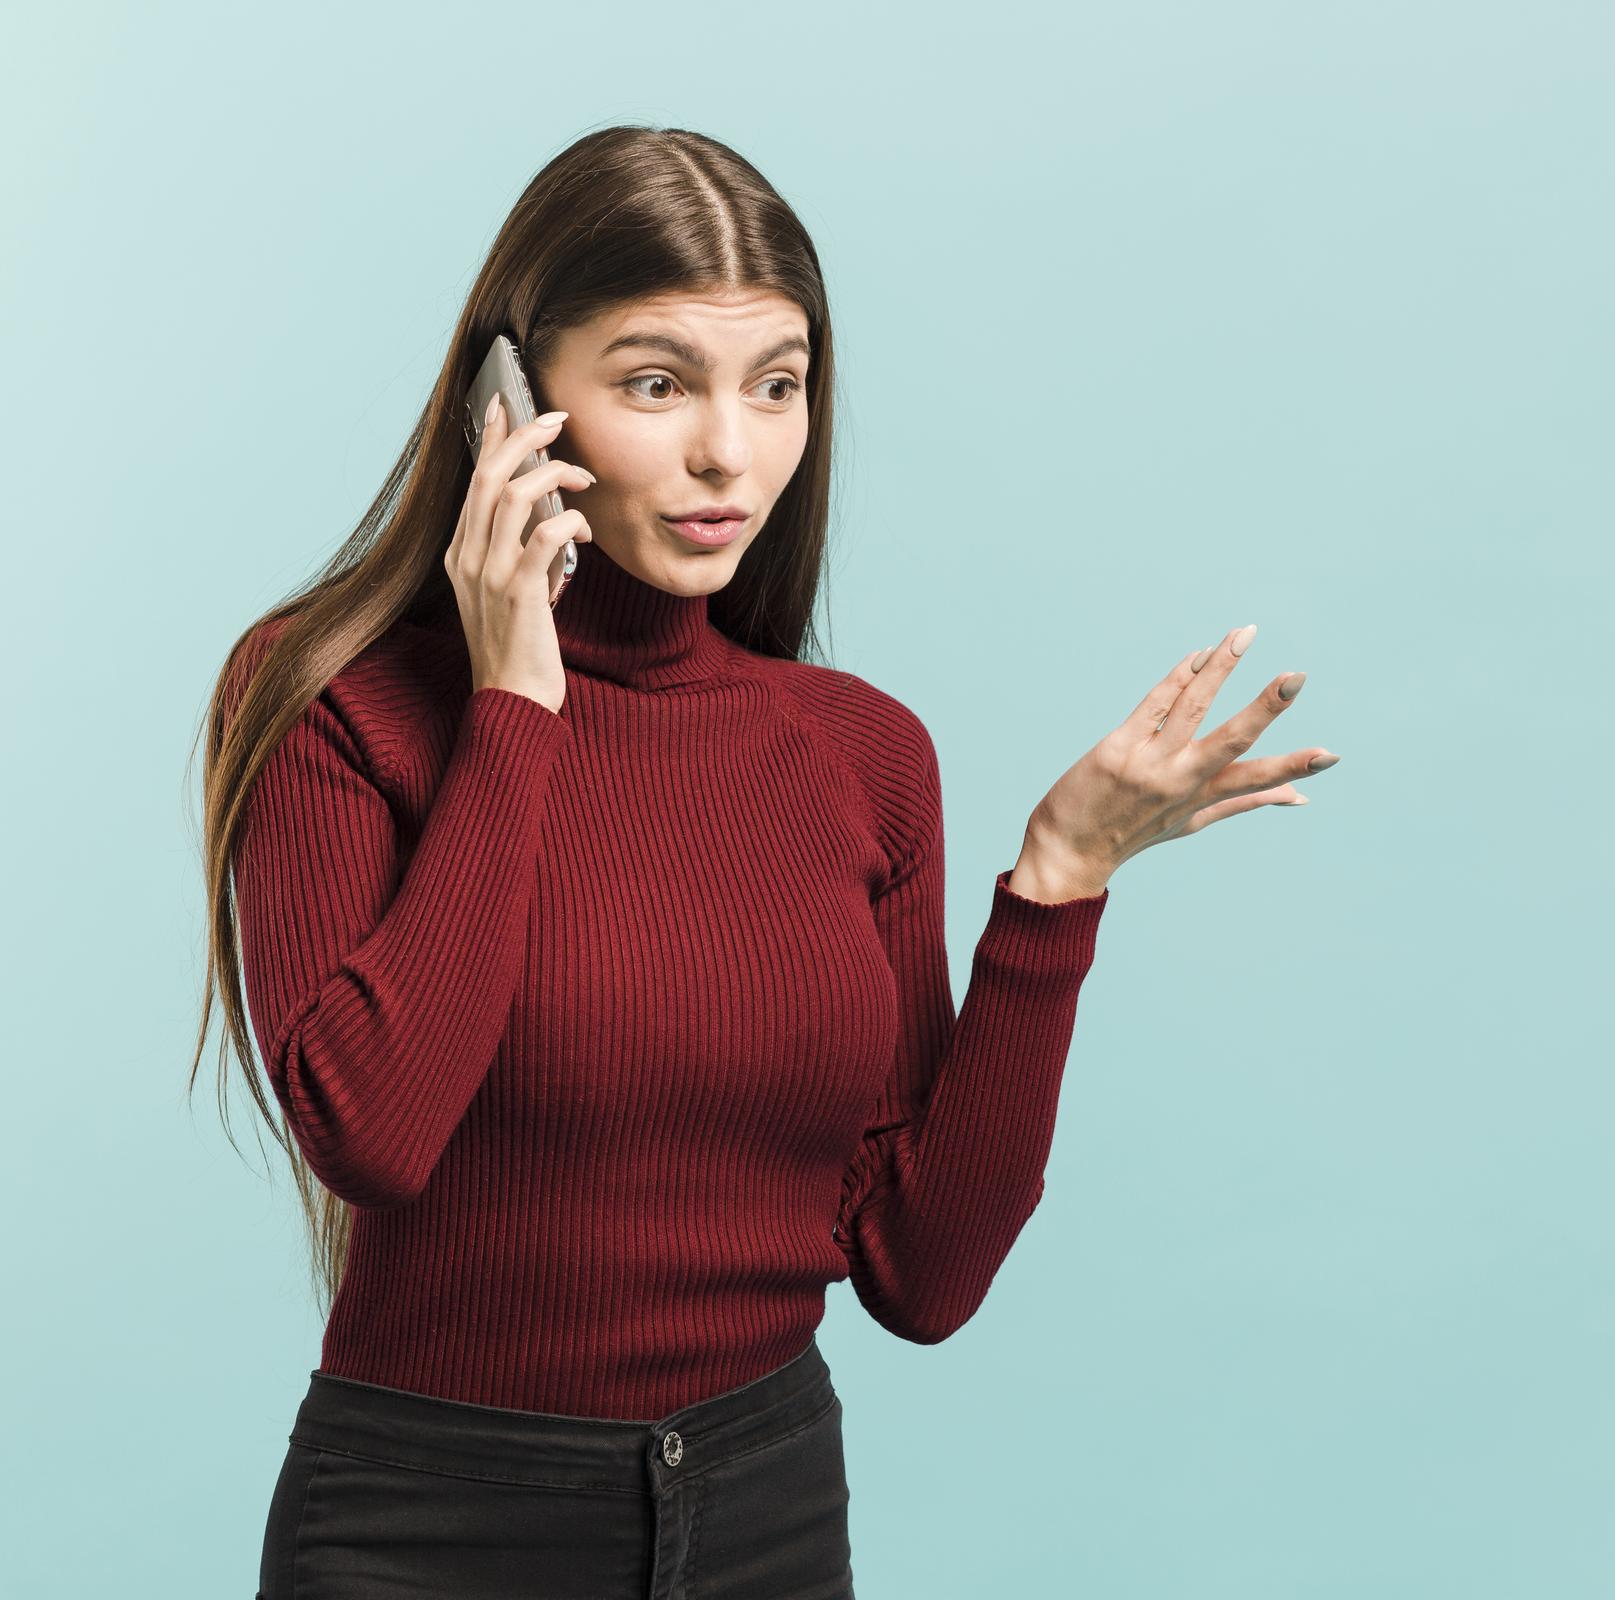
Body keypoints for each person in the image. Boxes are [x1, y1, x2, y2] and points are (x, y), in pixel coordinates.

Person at [190, 124, 1339, 1600]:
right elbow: (374, 1132)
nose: (731, 452)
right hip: (432, 1524)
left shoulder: (858, 756)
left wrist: (1058, 886)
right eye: (657, 384)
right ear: (514, 408)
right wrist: (513, 701)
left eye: (778, 385)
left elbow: (922, 1277)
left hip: (766, 1505)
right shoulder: (331, 698)